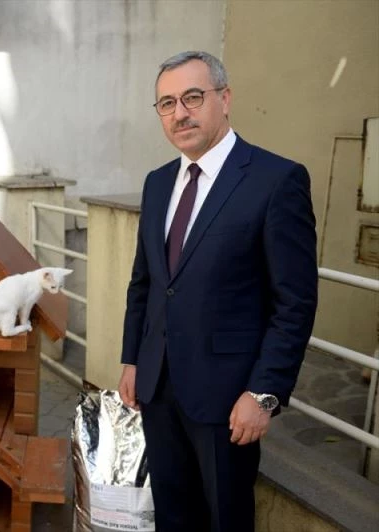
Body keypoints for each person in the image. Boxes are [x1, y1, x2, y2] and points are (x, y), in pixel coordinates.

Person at [117, 51, 317, 532]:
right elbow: (146, 282)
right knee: (172, 515)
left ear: (224, 99)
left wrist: (263, 393)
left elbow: (295, 303)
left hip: (228, 397)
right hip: (157, 388)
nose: (180, 113)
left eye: (192, 97)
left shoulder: (276, 181)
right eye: (167, 103)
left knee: (226, 518)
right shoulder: (157, 183)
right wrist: (132, 359)